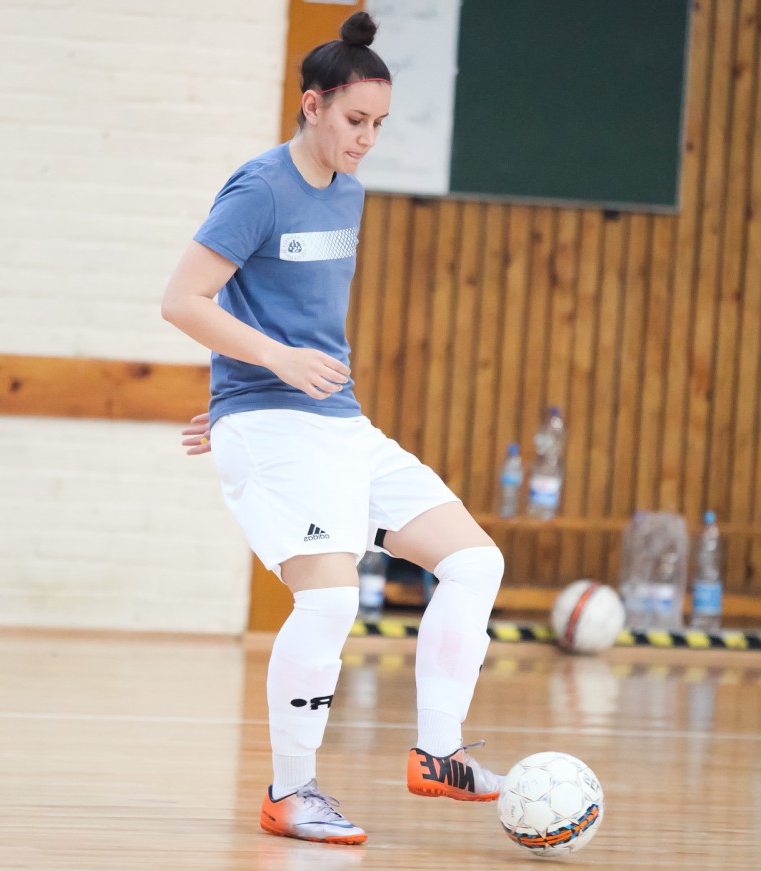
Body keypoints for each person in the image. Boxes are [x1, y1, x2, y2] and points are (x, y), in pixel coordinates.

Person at [162, 12, 504, 846]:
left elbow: (283, 308)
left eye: (379, 125)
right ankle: (291, 791)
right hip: (274, 420)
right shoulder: (258, 188)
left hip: (335, 423)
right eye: (355, 120)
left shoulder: (349, 191)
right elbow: (183, 300)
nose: (367, 140)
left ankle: (440, 751)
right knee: (329, 595)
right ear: (311, 105)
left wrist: (248, 381)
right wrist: (257, 379)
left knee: (474, 561)